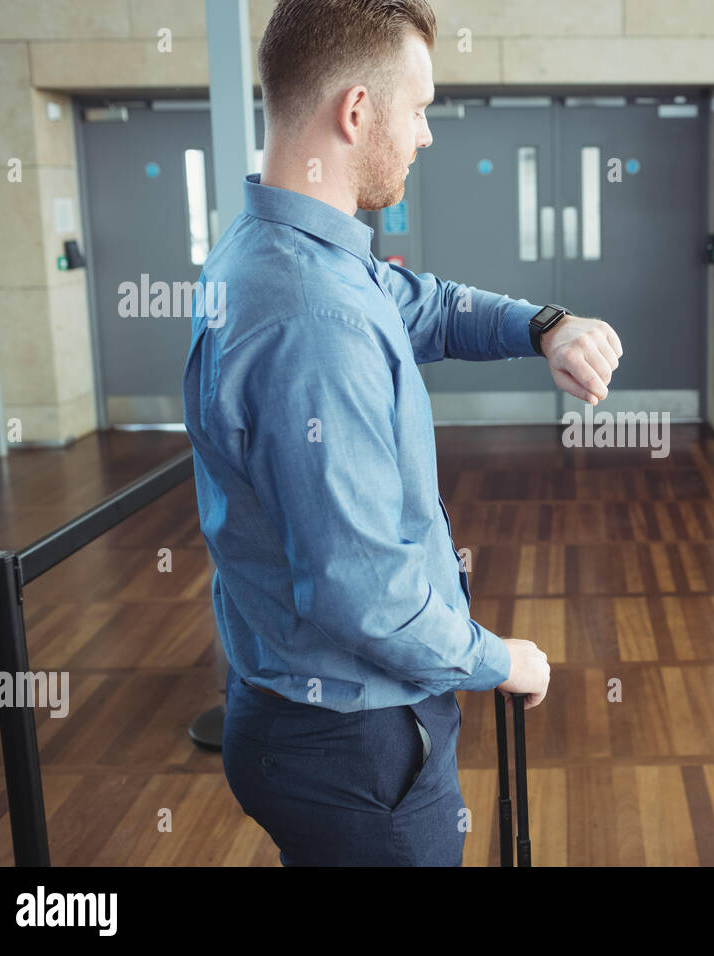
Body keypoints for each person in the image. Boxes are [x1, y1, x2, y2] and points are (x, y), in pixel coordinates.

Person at [181, 0, 622, 865]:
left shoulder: (286, 250)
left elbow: (427, 305)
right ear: (355, 111)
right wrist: (502, 660)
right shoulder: (310, 313)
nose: (424, 135)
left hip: (301, 723)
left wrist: (545, 325)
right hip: (356, 751)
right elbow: (363, 596)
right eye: (417, 109)